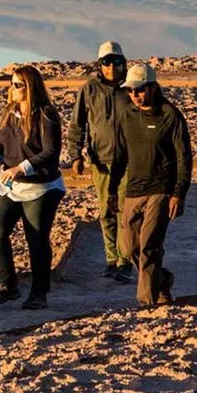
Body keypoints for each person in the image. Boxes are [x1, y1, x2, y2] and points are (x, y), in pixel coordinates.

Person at [110, 63, 192, 309]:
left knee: (149, 246)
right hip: (133, 189)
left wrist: (178, 193)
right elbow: (119, 155)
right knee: (129, 247)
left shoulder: (170, 116)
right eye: (131, 91)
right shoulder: (127, 115)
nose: (134, 95)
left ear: (153, 87)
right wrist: (113, 189)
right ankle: (162, 280)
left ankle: (146, 302)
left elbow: (183, 158)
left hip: (161, 189)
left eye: (140, 90)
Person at [0, 65, 64, 309]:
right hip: (10, 185)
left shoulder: (46, 115)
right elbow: (2, 140)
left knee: (37, 238)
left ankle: (39, 292)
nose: (13, 89)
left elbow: (51, 151)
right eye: (12, 84)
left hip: (40, 187)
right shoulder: (11, 112)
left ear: (30, 87)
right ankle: (7, 285)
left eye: (18, 85)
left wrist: (22, 168)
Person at [60, 41, 133, 283]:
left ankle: (125, 261)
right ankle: (111, 259)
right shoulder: (89, 90)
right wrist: (75, 155)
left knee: (125, 212)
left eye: (116, 61)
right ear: (99, 65)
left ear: (124, 63)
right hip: (100, 162)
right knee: (106, 212)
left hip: (129, 162)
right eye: (106, 62)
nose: (112, 66)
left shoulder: (133, 88)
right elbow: (77, 125)